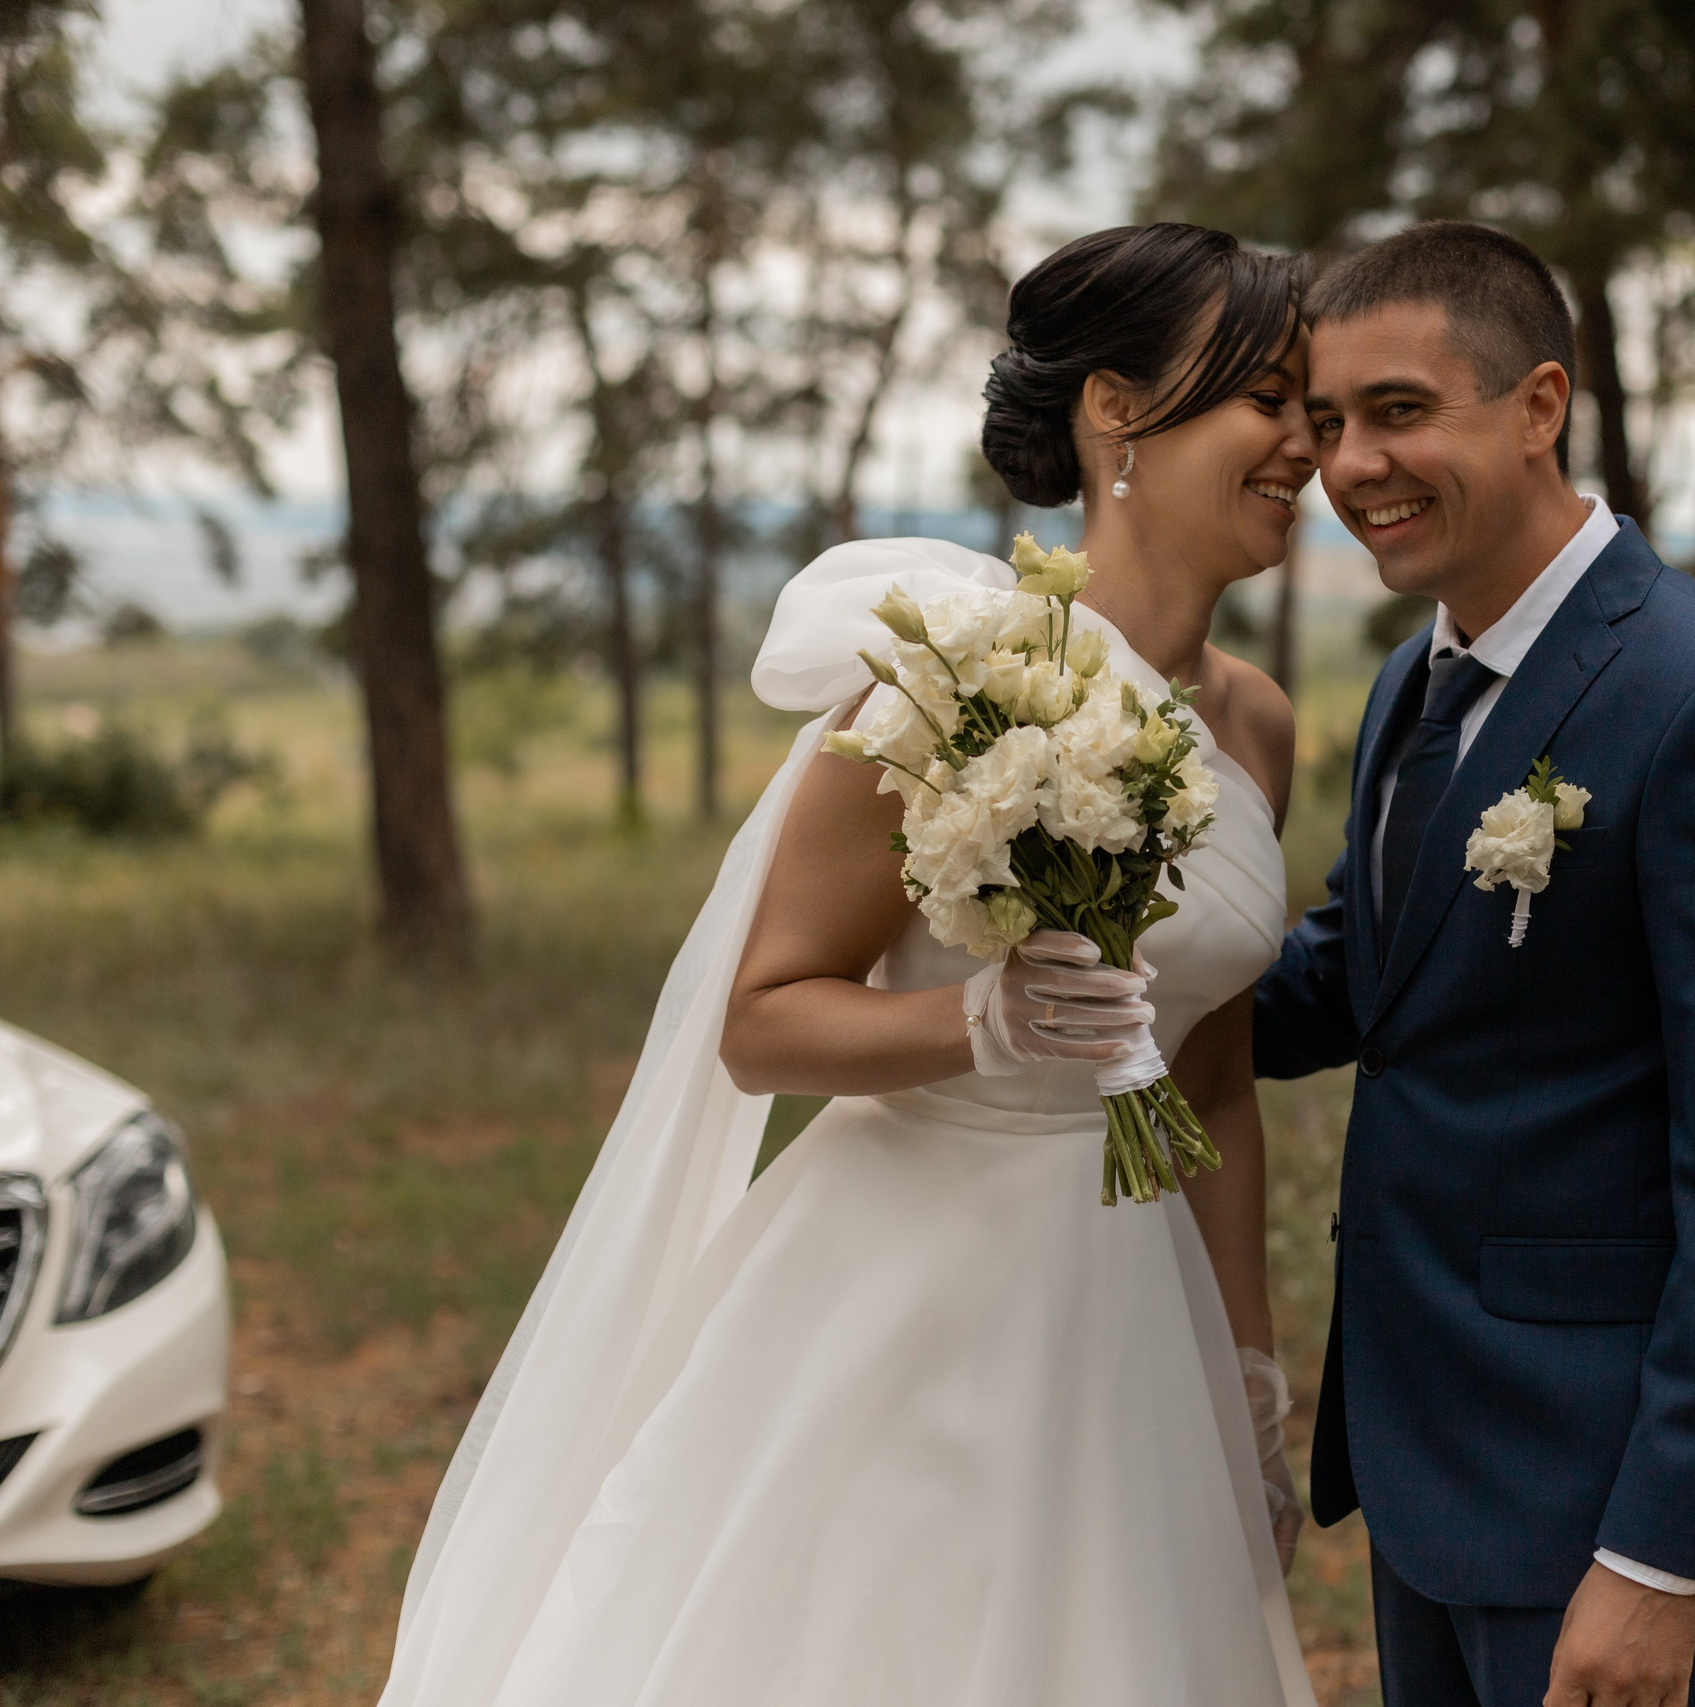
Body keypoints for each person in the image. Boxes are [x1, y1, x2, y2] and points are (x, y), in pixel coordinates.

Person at [377, 224, 1320, 1707]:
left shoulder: (1258, 724)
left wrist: (1250, 1381)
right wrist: (984, 1023)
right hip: (910, 1282)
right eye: (1267, 396)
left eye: (1312, 410)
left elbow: (1214, 1077)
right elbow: (762, 1022)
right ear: (1118, 410)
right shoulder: (948, 679)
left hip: (1132, 1307)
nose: (1305, 445)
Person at [1254, 221, 1695, 1707]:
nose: (1351, 466)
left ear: (1540, 406)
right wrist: (1091, 952)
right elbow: (1368, 976)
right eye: (1329, 424)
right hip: (1423, 1460)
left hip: (1593, 1490)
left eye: (1399, 411)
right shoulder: (1420, 674)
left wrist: (1666, 1555)